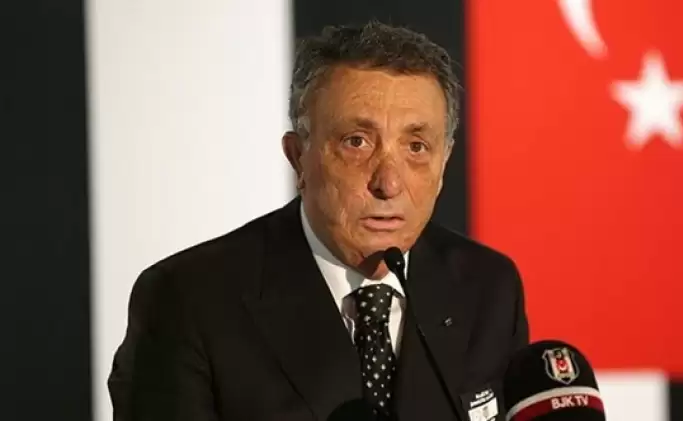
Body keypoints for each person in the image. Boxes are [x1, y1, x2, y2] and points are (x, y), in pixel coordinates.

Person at [108, 20, 529, 421]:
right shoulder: (189, 303)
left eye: (416, 147)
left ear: (444, 162)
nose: (388, 183)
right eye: (357, 142)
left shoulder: (487, 288)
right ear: (298, 158)